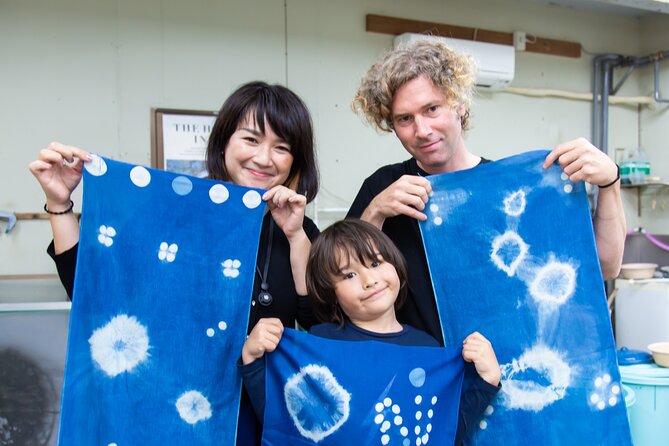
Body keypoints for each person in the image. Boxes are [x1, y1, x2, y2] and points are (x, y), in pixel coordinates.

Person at [28, 81, 320, 445]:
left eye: (282, 147)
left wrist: (295, 236)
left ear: (296, 159)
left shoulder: (296, 226)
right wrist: (59, 204)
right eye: (251, 139)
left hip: (260, 414)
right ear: (224, 141)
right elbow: (92, 289)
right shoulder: (169, 214)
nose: (264, 158)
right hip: (173, 412)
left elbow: (315, 318)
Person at [347, 40, 626, 344]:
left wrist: (610, 184)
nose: (422, 129)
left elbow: (607, 266)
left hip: (503, 377)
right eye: (405, 119)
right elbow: (339, 288)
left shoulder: (512, 191)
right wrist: (375, 213)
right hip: (420, 377)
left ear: (460, 104)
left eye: (432, 109)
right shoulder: (383, 189)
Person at [239, 219, 501, 445]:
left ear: (396, 264)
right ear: (331, 293)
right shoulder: (319, 342)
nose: (369, 280)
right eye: (349, 275)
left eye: (375, 263)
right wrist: (251, 360)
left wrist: (487, 381)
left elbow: (439, 434)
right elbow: (286, 421)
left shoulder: (426, 348)